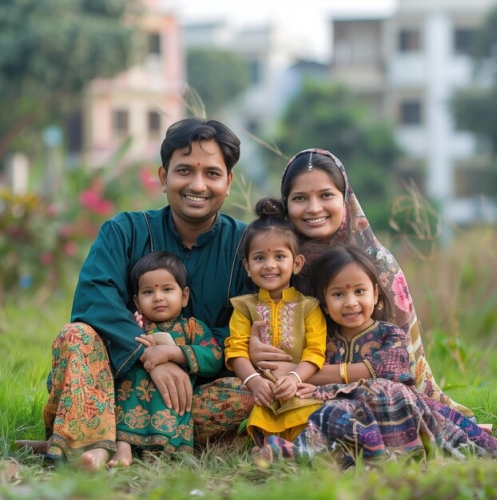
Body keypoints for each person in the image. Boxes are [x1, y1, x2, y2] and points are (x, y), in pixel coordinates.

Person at [18, 117, 254, 471]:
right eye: (185, 171)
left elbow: (245, 332)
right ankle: (93, 445)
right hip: (111, 392)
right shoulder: (123, 230)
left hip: (187, 400)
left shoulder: (248, 247)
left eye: (212, 174)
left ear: (229, 181)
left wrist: (179, 355)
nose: (198, 185)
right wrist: (151, 358)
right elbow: (94, 301)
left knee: (254, 391)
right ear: (163, 178)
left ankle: (94, 440)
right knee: (77, 335)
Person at [249, 148, 474, 419]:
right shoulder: (274, 260)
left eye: (326, 195)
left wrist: (308, 373)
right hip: (292, 386)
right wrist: (255, 349)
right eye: (300, 198)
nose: (314, 208)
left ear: (344, 199)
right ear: (287, 204)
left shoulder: (377, 264)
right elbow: (253, 320)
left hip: (369, 388)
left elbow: (398, 360)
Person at [254, 245, 497, 465]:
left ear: (376, 294)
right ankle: (303, 454)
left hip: (392, 409)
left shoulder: (389, 334)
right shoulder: (322, 341)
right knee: (332, 412)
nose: (350, 302)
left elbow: (388, 374)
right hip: (348, 415)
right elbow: (304, 376)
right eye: (338, 294)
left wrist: (320, 385)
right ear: (325, 304)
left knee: (384, 389)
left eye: (359, 291)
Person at [224, 198, 326, 445]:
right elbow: (236, 349)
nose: (269, 265)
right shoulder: (244, 307)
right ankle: (264, 445)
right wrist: (254, 381)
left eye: (280, 256)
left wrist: (294, 379)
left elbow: (315, 351)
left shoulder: (309, 307)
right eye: (259, 258)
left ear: (296, 263)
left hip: (297, 383)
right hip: (259, 385)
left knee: (310, 413)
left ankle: (297, 447)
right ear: (247, 266)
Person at [111, 251, 223, 466]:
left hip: (172, 402)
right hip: (132, 398)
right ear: (136, 300)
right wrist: (135, 332)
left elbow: (214, 358)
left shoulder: (192, 328)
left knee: (172, 427)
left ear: (184, 296)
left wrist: (174, 353)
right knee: (131, 376)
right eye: (148, 292)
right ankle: (122, 449)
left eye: (167, 289)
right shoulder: (135, 327)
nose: (158, 297)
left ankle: (166, 451)